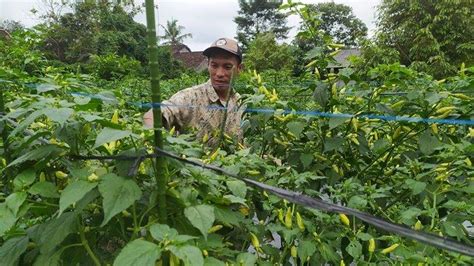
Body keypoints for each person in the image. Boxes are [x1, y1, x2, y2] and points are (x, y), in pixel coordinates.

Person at [143, 37, 244, 146]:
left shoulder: (241, 102)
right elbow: (157, 113)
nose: (219, 73)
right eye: (214, 65)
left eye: (227, 67)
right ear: (208, 65)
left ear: (239, 69)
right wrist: (150, 136)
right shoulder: (190, 97)